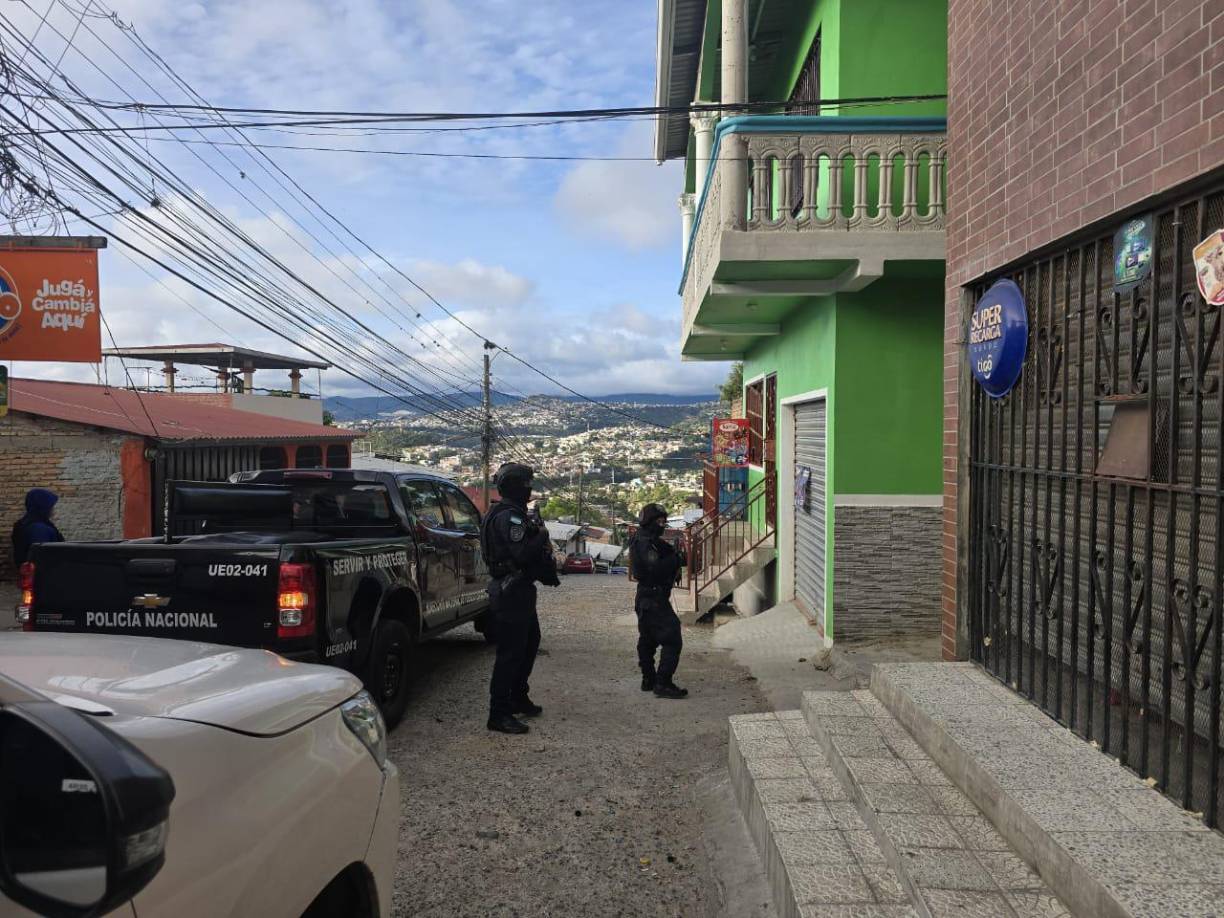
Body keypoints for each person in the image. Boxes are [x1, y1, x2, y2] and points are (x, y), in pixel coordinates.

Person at [481, 462, 560, 735]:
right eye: (527, 485)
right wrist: (541, 534)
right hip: (509, 591)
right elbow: (522, 553)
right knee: (510, 654)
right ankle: (498, 713)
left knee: (529, 644)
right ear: (517, 487)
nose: (530, 490)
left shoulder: (513, 513)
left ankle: (517, 697)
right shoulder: (508, 517)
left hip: (519, 590)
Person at [630, 504, 688, 699]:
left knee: (648, 639)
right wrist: (676, 560)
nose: (663, 525)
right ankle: (662, 683)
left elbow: (669, 552)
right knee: (672, 638)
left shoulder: (648, 539)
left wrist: (677, 555)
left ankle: (649, 679)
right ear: (650, 521)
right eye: (660, 522)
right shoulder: (645, 542)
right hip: (653, 597)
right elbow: (655, 567)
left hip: (648, 597)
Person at [11, 488, 64, 567]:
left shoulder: (27, 523)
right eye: (50, 507)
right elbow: (41, 560)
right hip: (44, 577)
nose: (53, 510)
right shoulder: (39, 529)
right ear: (43, 507)